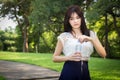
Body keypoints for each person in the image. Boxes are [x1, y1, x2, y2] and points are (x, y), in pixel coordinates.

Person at [52, 5, 106, 80]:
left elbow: (103, 54)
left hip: (85, 73)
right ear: (68, 21)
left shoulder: (90, 34)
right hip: (68, 73)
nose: (75, 21)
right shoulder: (64, 36)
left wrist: (91, 39)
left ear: (81, 19)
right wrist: (68, 57)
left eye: (77, 18)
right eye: (71, 19)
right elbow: (54, 58)